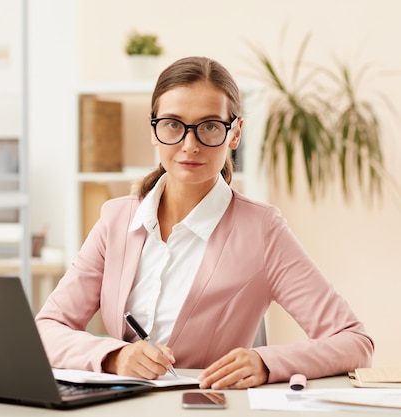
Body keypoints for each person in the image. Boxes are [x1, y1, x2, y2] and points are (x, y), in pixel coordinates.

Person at [35, 56, 374, 389]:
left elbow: (354, 341)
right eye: (173, 125)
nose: (189, 145)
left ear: (235, 133)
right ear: (153, 130)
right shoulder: (117, 219)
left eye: (210, 127)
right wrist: (115, 356)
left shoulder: (262, 230)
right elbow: (47, 328)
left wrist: (266, 362)